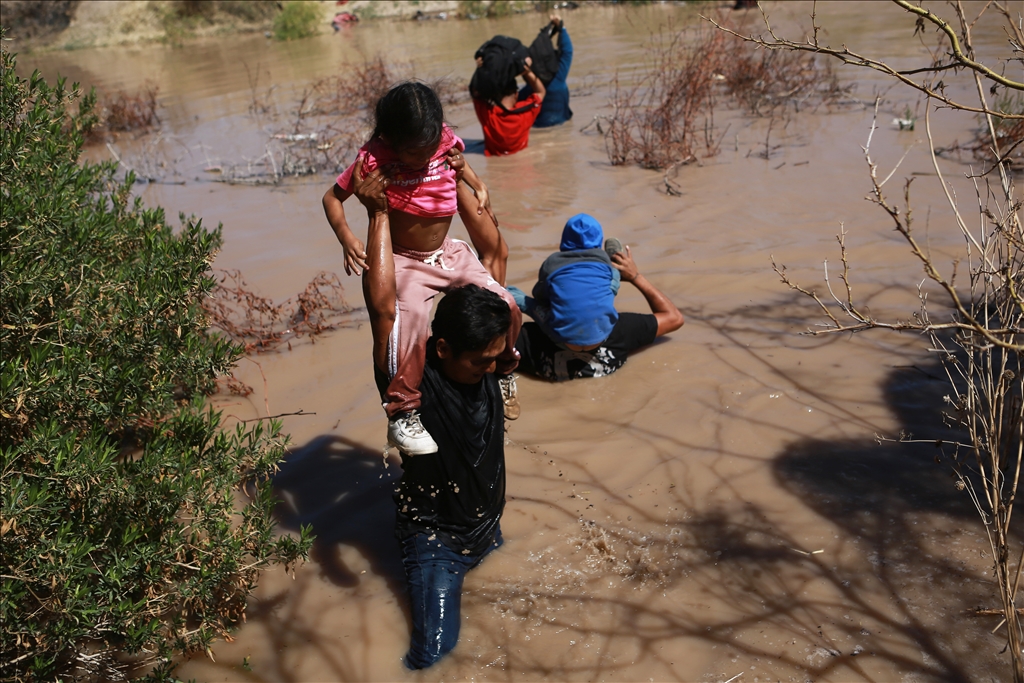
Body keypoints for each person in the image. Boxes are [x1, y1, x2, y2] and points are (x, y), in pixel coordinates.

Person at [352, 169, 513, 669]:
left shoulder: (488, 347)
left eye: (496, 358)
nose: (493, 368)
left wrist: (454, 179)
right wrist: (379, 213)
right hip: (436, 540)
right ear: (441, 348)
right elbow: (383, 307)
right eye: (482, 363)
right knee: (434, 653)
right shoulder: (413, 379)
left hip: (488, 527)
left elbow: (496, 254)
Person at [322, 82, 520, 456]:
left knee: (507, 304)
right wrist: (346, 236)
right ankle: (403, 411)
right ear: (390, 138)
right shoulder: (373, 160)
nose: (424, 157)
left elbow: (460, 164)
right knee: (408, 324)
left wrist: (478, 183)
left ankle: (508, 368)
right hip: (404, 260)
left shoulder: (441, 140)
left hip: (447, 252)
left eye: (430, 150)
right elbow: (332, 197)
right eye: (415, 152)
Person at [512, 216, 684, 381]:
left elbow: (540, 297)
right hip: (605, 355)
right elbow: (674, 318)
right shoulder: (623, 332)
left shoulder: (525, 340)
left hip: (547, 347)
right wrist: (635, 276)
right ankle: (613, 260)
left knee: (519, 297)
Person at [471, 53, 546, 156]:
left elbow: (474, 92)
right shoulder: (525, 112)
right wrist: (527, 72)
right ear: (516, 94)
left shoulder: (488, 114)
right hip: (523, 162)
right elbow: (540, 92)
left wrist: (480, 69)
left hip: (494, 163)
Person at [520, 14, 573, 128]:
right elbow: (567, 52)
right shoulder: (559, 77)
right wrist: (561, 28)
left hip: (537, 128)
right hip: (562, 126)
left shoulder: (529, 88)